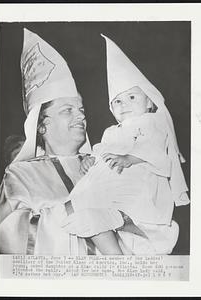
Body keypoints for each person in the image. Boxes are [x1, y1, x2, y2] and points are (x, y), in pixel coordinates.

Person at [62, 35, 190, 255]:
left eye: (132, 97)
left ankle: (122, 221)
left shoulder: (152, 122)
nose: (124, 105)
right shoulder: (112, 131)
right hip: (111, 183)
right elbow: (102, 149)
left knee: (90, 201)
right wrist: (91, 161)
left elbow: (155, 149)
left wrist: (129, 158)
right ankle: (115, 246)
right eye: (117, 101)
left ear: (149, 101)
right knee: (81, 204)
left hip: (139, 182)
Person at [0, 28, 93, 255]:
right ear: (41, 126)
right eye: (67, 110)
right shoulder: (19, 175)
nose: (80, 116)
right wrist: (72, 211)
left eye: (80, 109)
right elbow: (5, 235)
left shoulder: (100, 164)